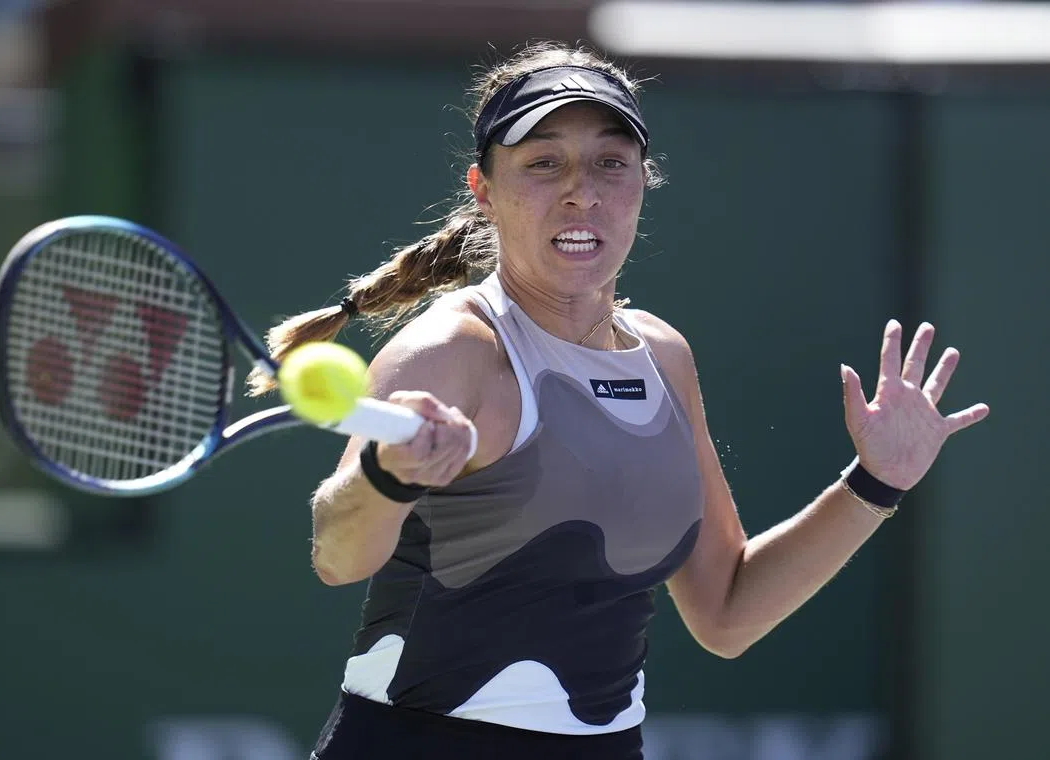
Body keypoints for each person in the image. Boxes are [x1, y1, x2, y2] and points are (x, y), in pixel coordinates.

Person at [248, 41, 990, 760]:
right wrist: (385, 475)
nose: (583, 191)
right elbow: (336, 556)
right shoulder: (452, 350)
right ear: (485, 191)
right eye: (544, 163)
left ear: (642, 182)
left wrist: (876, 483)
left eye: (611, 162)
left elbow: (727, 610)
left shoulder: (663, 356)